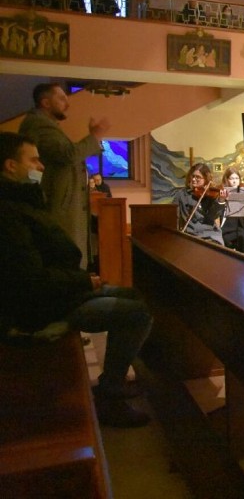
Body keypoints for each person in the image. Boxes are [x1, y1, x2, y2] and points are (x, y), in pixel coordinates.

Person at [0, 132, 153, 428]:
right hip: (38, 311)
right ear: (10, 166)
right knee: (136, 313)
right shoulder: (8, 212)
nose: (41, 166)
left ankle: (115, 379)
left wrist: (80, 280)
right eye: (33, 160)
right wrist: (83, 282)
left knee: (132, 296)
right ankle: (111, 396)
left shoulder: (22, 201)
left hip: (55, 295)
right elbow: (30, 280)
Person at [19, 83, 109, 268]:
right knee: (65, 263)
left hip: (62, 206)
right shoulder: (39, 125)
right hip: (58, 208)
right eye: (61, 99)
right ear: (45, 102)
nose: (66, 104)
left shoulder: (47, 125)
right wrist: (95, 136)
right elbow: (67, 155)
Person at [174, 163, 225, 245]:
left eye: (198, 177)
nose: (194, 179)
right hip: (192, 235)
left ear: (206, 179)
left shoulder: (210, 195)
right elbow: (173, 214)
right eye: (193, 176)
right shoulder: (182, 195)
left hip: (211, 235)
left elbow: (213, 216)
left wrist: (221, 200)